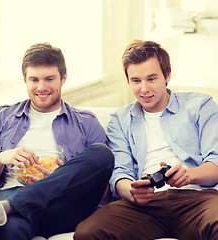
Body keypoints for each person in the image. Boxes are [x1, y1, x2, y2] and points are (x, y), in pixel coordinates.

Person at [0, 42, 114, 240]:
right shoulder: (1, 118)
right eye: (34, 79)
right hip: (11, 196)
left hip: (65, 204)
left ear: (63, 78)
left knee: (102, 153)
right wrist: (0, 159)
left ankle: (6, 208)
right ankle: (8, 208)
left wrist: (66, 175)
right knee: (9, 227)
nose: (41, 87)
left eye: (49, 79)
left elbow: (105, 194)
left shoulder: (87, 122)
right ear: (25, 79)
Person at [74, 40, 218, 240]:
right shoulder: (119, 120)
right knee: (87, 232)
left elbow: (216, 164)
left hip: (198, 199)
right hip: (145, 206)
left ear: (167, 76)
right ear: (128, 81)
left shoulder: (201, 105)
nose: (144, 89)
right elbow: (120, 173)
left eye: (151, 79)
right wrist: (131, 191)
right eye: (136, 81)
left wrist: (189, 175)